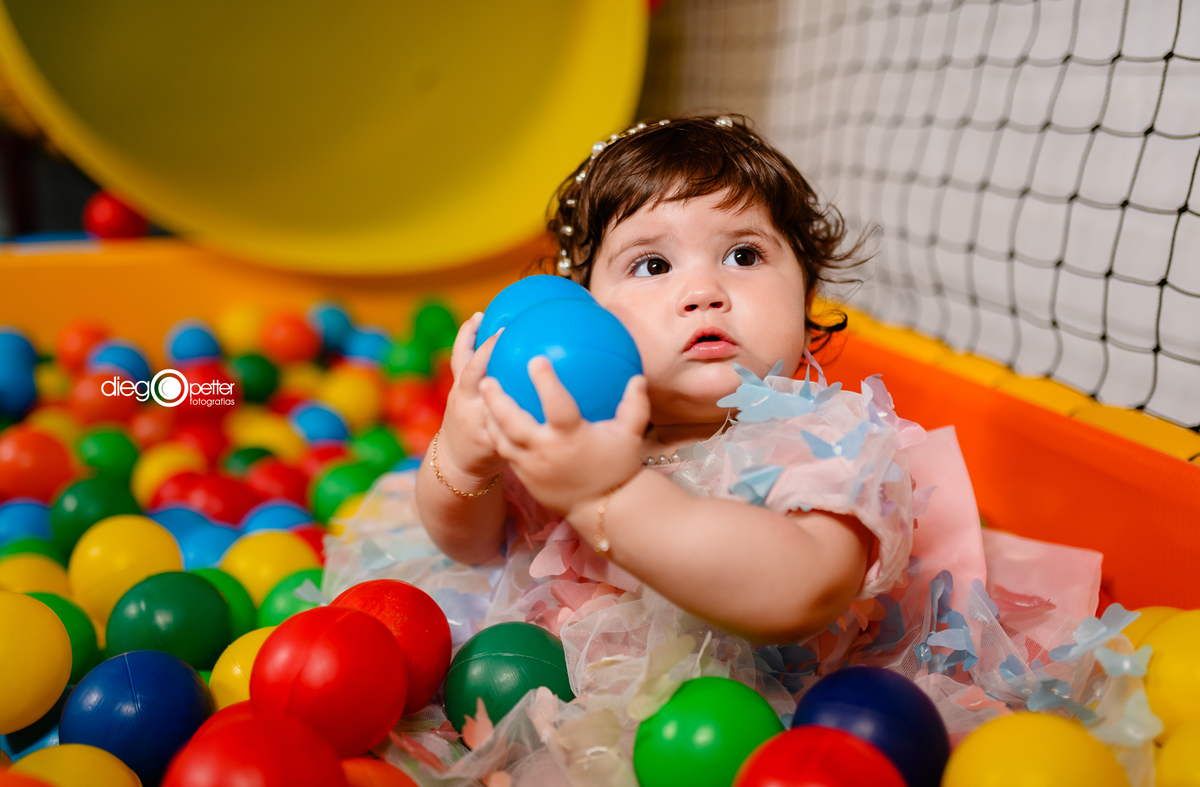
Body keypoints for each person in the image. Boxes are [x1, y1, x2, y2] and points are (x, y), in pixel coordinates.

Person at [325, 116, 1157, 787]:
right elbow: (472, 543)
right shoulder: (578, 428)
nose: (703, 289)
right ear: (591, 314)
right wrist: (462, 461)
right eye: (651, 264)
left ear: (808, 295)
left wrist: (609, 497)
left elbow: (799, 587)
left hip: (780, 729)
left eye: (745, 255)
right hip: (558, 700)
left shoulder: (826, 437)